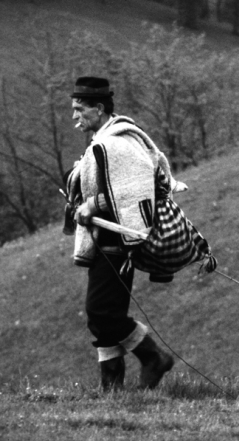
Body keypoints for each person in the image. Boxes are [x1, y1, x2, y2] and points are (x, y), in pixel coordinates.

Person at [64, 76, 177, 390]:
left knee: (102, 311)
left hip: (118, 241)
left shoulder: (117, 141)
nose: (74, 116)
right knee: (101, 315)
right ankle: (111, 386)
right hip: (104, 241)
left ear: (98, 108)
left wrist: (93, 205)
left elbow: (135, 187)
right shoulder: (104, 139)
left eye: (78, 109)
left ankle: (154, 357)